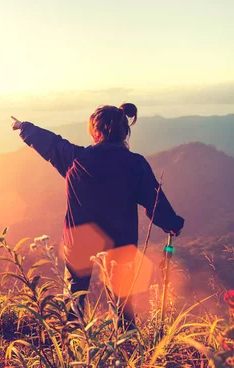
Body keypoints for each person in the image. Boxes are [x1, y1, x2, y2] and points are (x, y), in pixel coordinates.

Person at [11, 103, 184, 330]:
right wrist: (172, 224)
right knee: (122, 303)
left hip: (80, 241)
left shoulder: (75, 159)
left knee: (73, 299)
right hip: (119, 243)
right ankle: (126, 350)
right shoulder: (135, 164)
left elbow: (51, 144)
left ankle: (70, 349)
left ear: (95, 132)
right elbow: (155, 201)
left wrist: (24, 128)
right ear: (125, 132)